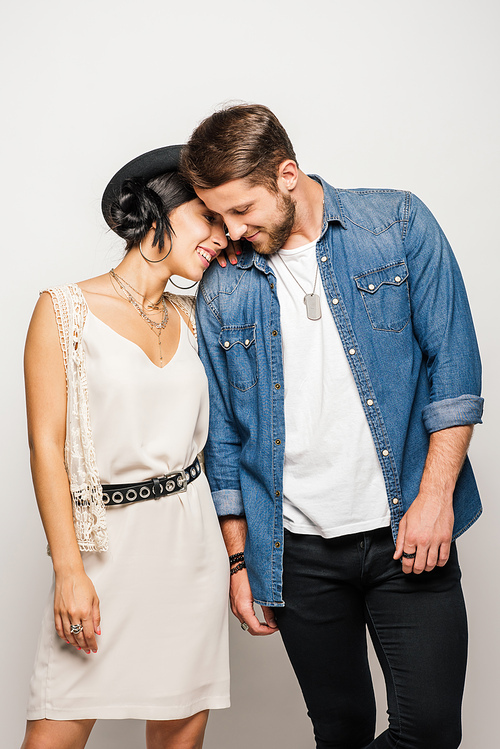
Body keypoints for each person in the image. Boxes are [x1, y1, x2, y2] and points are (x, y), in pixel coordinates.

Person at [180, 104, 484, 749]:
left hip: (408, 527)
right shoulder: (224, 288)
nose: (230, 232)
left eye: (242, 210)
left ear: (287, 174)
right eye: (217, 216)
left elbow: (453, 371)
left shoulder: (397, 225)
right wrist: (241, 560)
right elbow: (225, 438)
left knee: (428, 731)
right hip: (296, 549)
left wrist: (434, 500)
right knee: (340, 729)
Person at [22, 145, 231, 749]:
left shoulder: (197, 318)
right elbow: (46, 444)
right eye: (207, 219)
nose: (221, 236)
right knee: (57, 727)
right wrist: (68, 571)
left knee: (178, 735)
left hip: (191, 548)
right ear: (157, 214)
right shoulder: (63, 310)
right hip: (103, 547)